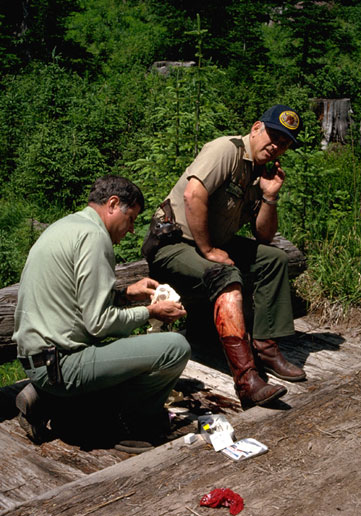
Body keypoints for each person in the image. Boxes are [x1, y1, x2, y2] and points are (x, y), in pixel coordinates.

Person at [142, 104, 306, 411]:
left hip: (210, 244)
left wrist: (270, 196)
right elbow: (194, 195)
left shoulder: (260, 174)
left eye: (284, 144)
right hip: (173, 245)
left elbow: (264, 236)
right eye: (273, 136)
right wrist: (207, 250)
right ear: (257, 128)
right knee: (225, 274)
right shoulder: (226, 150)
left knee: (273, 258)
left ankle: (266, 347)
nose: (276, 146)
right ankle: (247, 381)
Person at [13, 175, 190, 447]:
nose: (131, 229)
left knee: (127, 353)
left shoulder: (66, 226)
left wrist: (125, 294)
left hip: (40, 361)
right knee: (175, 347)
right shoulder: (95, 237)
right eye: (131, 219)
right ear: (113, 203)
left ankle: (49, 400)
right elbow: (99, 323)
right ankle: (127, 425)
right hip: (62, 364)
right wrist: (151, 312)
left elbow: (74, 301)